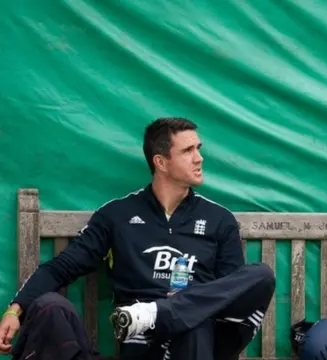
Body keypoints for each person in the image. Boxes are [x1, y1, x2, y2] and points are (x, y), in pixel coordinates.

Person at [0, 117, 276, 360]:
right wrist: (15, 309)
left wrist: (179, 306)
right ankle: (156, 316)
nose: (199, 158)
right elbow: (62, 267)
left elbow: (231, 292)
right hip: (145, 341)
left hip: (204, 339)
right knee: (52, 307)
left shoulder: (219, 219)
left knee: (260, 276)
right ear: (161, 162)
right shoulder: (117, 216)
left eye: (198, 149)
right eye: (188, 151)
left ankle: (160, 312)